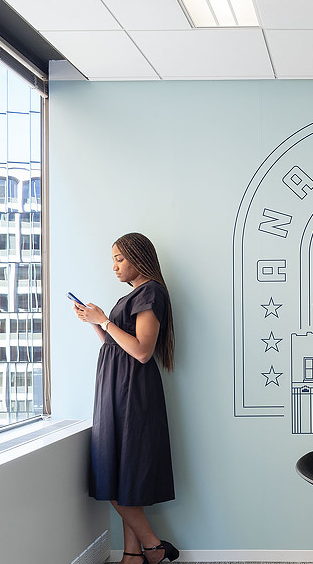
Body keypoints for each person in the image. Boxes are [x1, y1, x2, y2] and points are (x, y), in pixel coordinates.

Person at [73, 233, 180, 564]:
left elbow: (142, 351)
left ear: (138, 257)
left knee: (117, 471)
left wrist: (104, 319)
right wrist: (96, 323)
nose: (114, 266)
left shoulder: (150, 293)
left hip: (132, 392)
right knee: (123, 473)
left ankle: (153, 546)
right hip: (118, 388)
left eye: (119, 258)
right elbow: (119, 344)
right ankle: (133, 554)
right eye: (113, 259)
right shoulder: (135, 295)